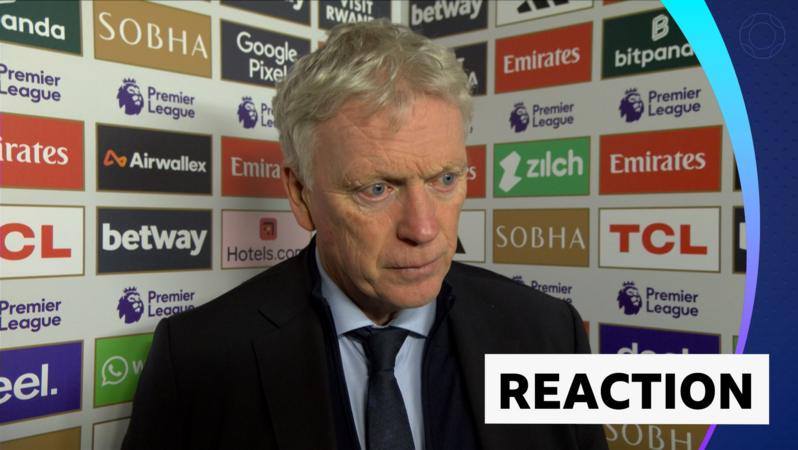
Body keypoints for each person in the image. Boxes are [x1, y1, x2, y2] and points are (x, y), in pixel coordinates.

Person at [122, 20, 608, 450]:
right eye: (376, 189)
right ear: (301, 194)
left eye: (445, 179)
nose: (423, 229)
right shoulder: (200, 360)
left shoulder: (548, 334)